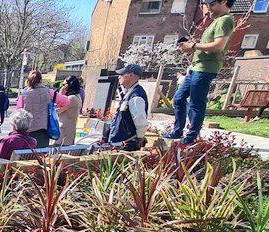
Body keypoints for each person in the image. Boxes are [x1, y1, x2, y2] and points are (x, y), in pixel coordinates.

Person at [165, 0, 236, 145]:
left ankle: (191, 137)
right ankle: (178, 131)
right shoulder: (216, 21)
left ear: (223, 2)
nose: (208, 8)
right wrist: (191, 49)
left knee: (197, 103)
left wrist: (193, 45)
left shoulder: (225, 20)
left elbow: (218, 46)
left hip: (205, 69)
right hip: (196, 68)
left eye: (211, 4)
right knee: (178, 99)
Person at [100, 64, 148, 151]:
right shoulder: (130, 92)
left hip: (127, 144)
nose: (119, 77)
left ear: (131, 75)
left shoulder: (136, 96)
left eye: (122, 74)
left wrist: (140, 138)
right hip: (119, 142)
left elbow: (140, 120)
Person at [16, 71, 69, 148]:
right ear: (41, 80)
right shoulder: (49, 92)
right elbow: (66, 102)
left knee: (27, 156)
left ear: (29, 81)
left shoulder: (24, 95)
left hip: (27, 130)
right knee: (41, 155)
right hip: (44, 129)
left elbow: (18, 112)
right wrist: (54, 105)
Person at [56, 76, 83, 146]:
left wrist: (60, 95)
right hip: (69, 130)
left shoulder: (71, 99)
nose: (63, 87)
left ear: (70, 85)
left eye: (64, 84)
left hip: (64, 131)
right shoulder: (77, 96)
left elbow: (56, 110)